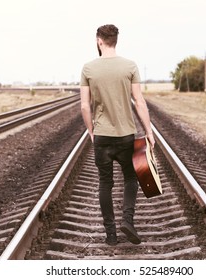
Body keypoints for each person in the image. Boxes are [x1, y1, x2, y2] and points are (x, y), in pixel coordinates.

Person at [80, 24, 155, 246]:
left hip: (102, 136)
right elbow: (139, 102)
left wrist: (92, 132)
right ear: (116, 40)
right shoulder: (129, 66)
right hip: (125, 136)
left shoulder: (88, 68)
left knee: (105, 183)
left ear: (98, 40)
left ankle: (111, 234)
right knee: (131, 178)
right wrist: (149, 131)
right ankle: (128, 221)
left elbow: (85, 106)